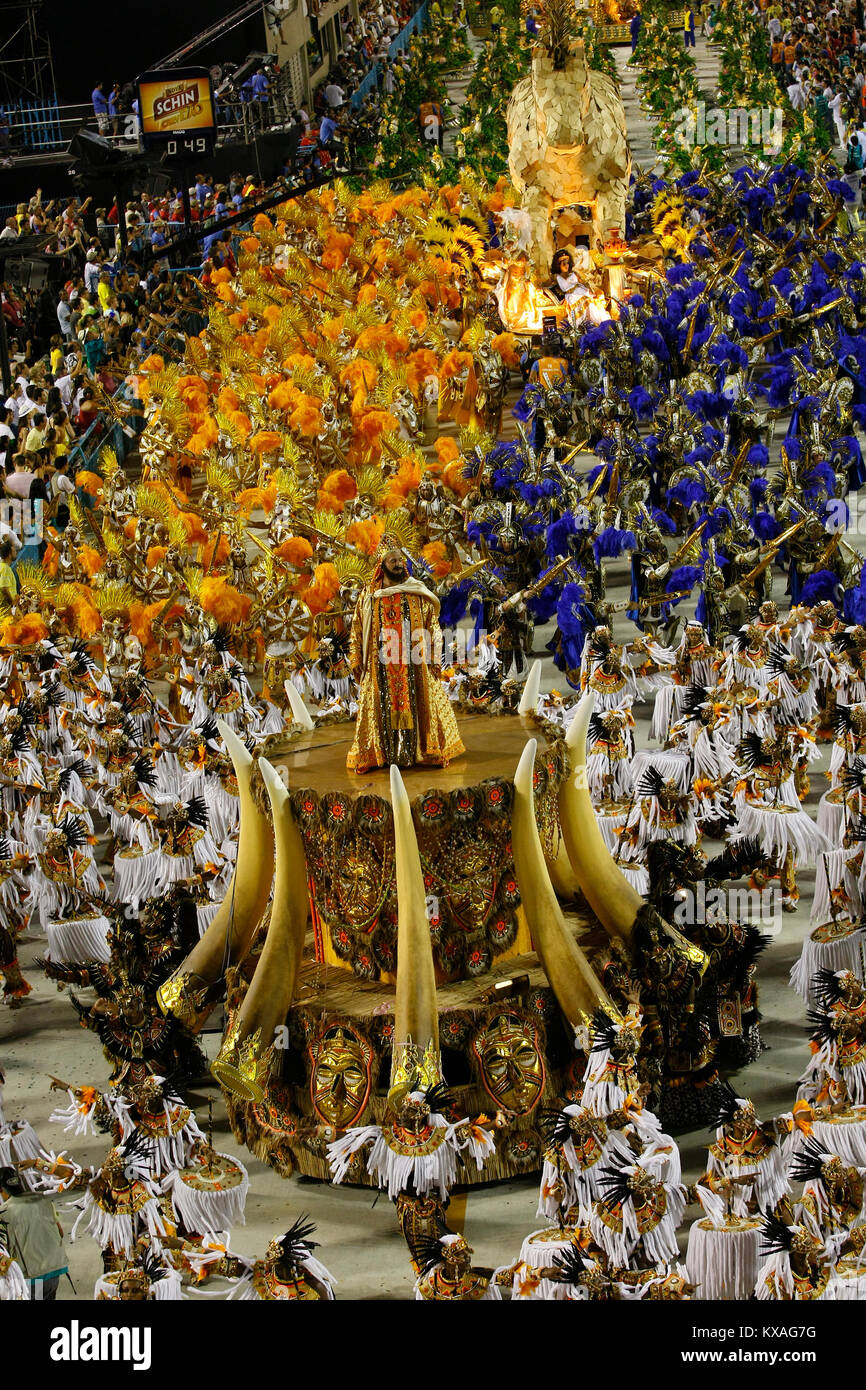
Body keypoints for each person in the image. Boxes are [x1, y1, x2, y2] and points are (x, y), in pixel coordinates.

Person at [346, 536, 465, 772]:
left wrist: (434, 657)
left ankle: (426, 752)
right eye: (392, 560)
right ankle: (375, 754)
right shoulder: (369, 598)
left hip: (415, 664)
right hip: (379, 666)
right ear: (382, 565)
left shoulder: (417, 592)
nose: (399, 563)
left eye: (400, 559)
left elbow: (433, 626)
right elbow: (357, 630)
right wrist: (356, 659)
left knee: (421, 705)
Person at [0, 1168, 67, 1301]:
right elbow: (60, 1232)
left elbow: (4, 1252)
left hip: (33, 1276)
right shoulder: (42, 1199)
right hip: (55, 1269)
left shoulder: (4, 1213)